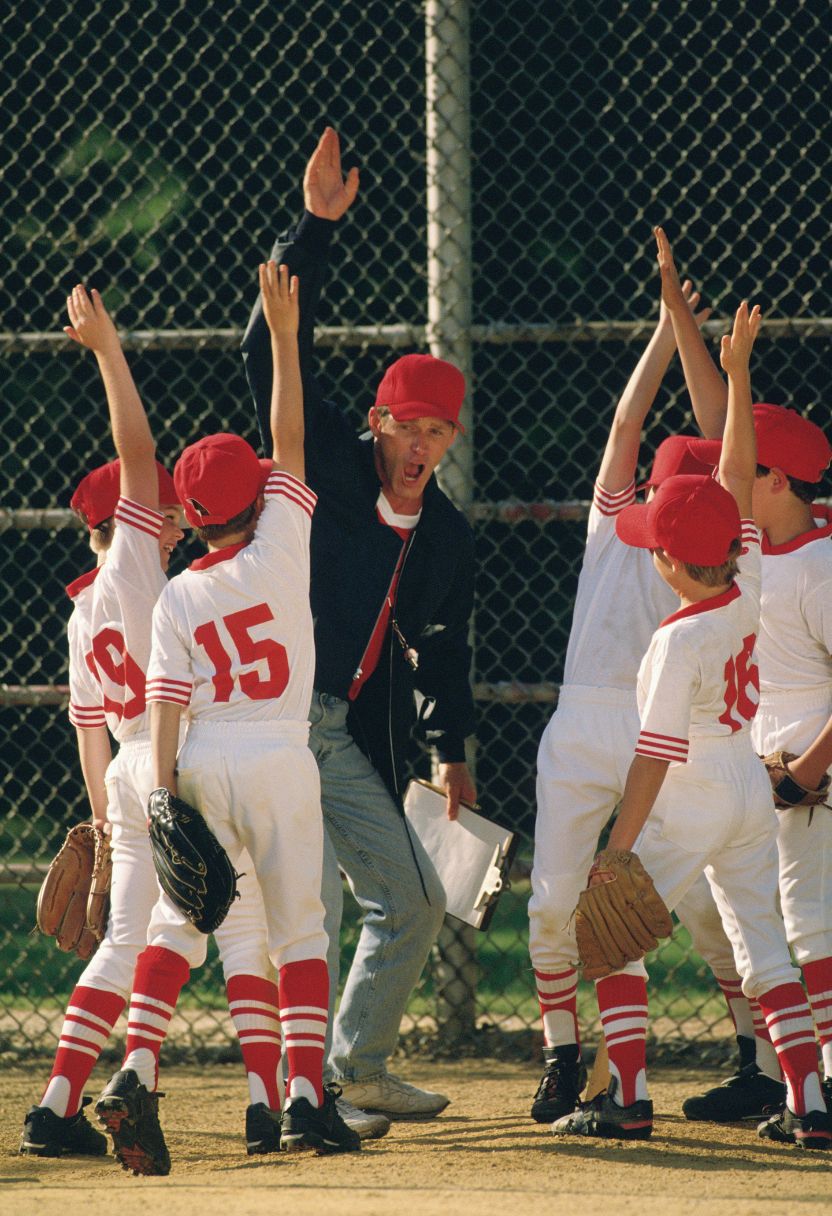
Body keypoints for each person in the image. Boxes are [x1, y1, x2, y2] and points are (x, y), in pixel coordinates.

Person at [95, 260, 360, 1175]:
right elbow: (287, 434)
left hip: (201, 758)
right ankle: (300, 1098)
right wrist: (285, 337)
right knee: (299, 932)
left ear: (191, 514)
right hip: (281, 754)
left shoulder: (174, 593)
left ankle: (136, 1063)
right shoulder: (284, 537)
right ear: (254, 499)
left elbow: (165, 703)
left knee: (179, 922)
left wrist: (163, 795)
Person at [552, 293, 831, 1150]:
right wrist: (736, 376)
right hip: (752, 788)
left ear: (669, 560)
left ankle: (627, 1098)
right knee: (764, 948)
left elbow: (650, 760)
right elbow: (738, 464)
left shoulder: (674, 642)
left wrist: (618, 850)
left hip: (695, 786)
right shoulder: (747, 583)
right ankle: (812, 1104)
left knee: (616, 937)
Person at [242, 128, 476, 1123]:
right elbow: (268, 349)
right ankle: (138, 1069)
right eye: (406, 425)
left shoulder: (446, 533)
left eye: (439, 430)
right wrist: (316, 228)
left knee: (416, 896)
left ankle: (356, 1068)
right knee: (277, 910)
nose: (421, 443)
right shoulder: (331, 471)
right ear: (375, 424)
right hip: (260, 714)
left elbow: (445, 650)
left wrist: (453, 757)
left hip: (337, 729)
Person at [20, 288, 279, 1163]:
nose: (172, 518)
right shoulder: (135, 564)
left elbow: (89, 731)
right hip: (180, 760)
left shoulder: (76, 613)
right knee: (238, 925)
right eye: (161, 509)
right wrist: (107, 350)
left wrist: (102, 820)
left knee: (128, 939)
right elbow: (136, 449)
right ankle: (256, 1100)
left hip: (126, 772)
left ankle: (58, 1103)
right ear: (124, 522)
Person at [527, 269, 715, 1124]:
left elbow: (638, 425)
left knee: (596, 907)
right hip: (613, 726)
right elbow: (631, 428)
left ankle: (606, 1074)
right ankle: (566, 1057)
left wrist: (673, 329)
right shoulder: (630, 524)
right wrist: (675, 331)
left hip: (633, 728)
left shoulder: (699, 547)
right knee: (582, 901)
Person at [653, 228, 832, 1123]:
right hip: (763, 765)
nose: (727, 464)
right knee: (779, 930)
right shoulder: (763, 549)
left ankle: (818, 1085)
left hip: (806, 770)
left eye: (744, 464)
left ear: (775, 482)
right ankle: (803, 1083)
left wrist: (810, 767)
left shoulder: (811, 563)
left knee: (804, 928)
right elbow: (727, 434)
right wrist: (685, 320)